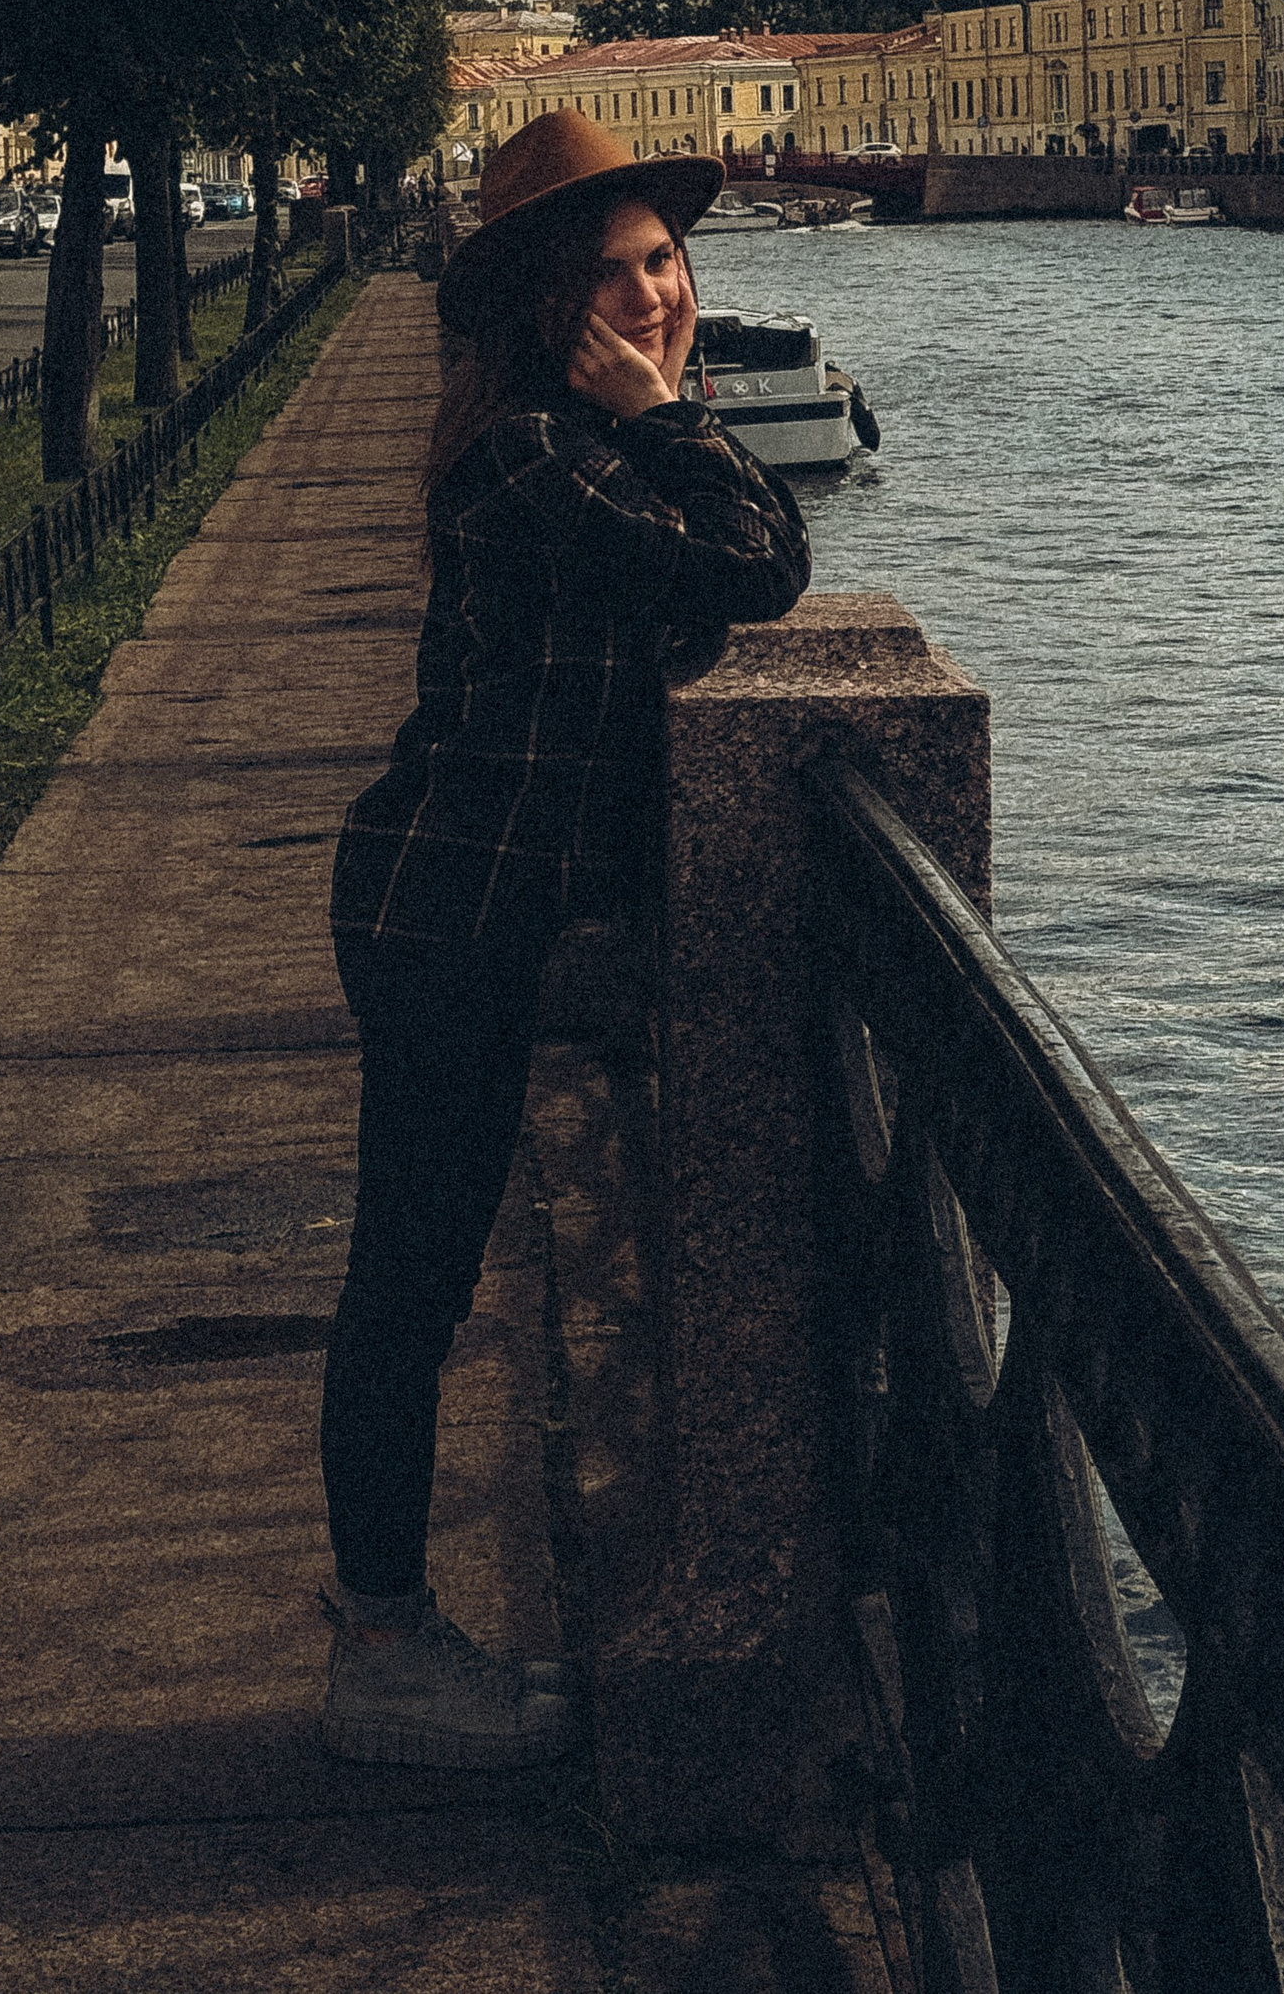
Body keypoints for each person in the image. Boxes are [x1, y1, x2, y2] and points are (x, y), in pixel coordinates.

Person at [316, 106, 812, 1768]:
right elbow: (761, 567)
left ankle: (394, 1636)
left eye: (665, 260)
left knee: (418, 1276)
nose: (655, 294)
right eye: (615, 274)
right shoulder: (536, 451)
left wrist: (667, 418)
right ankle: (382, 1649)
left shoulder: (575, 436)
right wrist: (672, 417)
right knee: (412, 1284)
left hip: (483, 902)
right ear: (548, 302)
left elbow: (750, 554)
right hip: (447, 907)